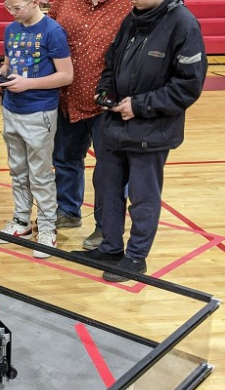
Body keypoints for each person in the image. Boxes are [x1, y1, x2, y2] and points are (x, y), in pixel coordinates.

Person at [74, 0, 207, 282]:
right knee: (107, 189)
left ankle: (135, 258)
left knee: (142, 197)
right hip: (115, 126)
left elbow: (188, 85)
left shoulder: (184, 24)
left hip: (151, 130)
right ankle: (110, 248)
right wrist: (104, 91)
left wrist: (139, 105)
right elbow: (110, 63)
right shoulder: (132, 18)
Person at [0, 0, 73, 259]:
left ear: (35, 2)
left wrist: (28, 84)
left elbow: (66, 75)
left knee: (40, 173)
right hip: (12, 109)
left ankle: (47, 228)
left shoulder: (52, 31)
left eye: (17, 7)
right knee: (18, 169)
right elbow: (8, 63)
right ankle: (21, 221)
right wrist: (1, 74)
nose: (12, 12)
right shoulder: (11, 30)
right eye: (7, 7)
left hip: (39, 112)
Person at [48, 0, 132, 250]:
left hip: (108, 103)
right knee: (65, 158)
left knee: (110, 170)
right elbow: (48, 33)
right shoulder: (63, 1)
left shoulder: (128, 5)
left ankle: (105, 227)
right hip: (68, 97)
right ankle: (68, 210)